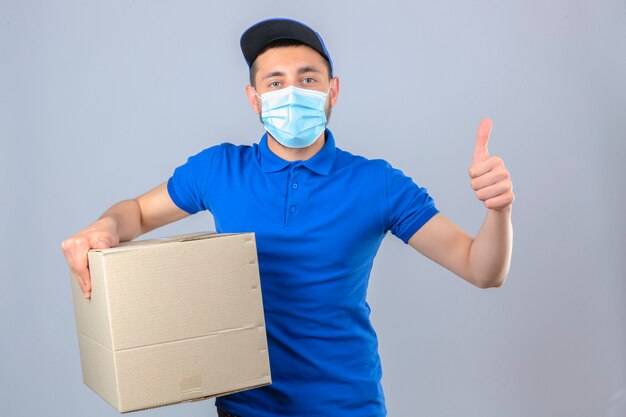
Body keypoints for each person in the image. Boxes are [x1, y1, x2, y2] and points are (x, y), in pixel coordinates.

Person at [61, 18, 514, 417]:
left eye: (308, 78)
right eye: (275, 82)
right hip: (243, 408)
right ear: (254, 98)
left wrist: (499, 210)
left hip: (344, 407)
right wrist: (105, 226)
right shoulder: (219, 168)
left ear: (332, 90)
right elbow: (136, 213)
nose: (292, 92)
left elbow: (480, 268)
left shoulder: (377, 183)